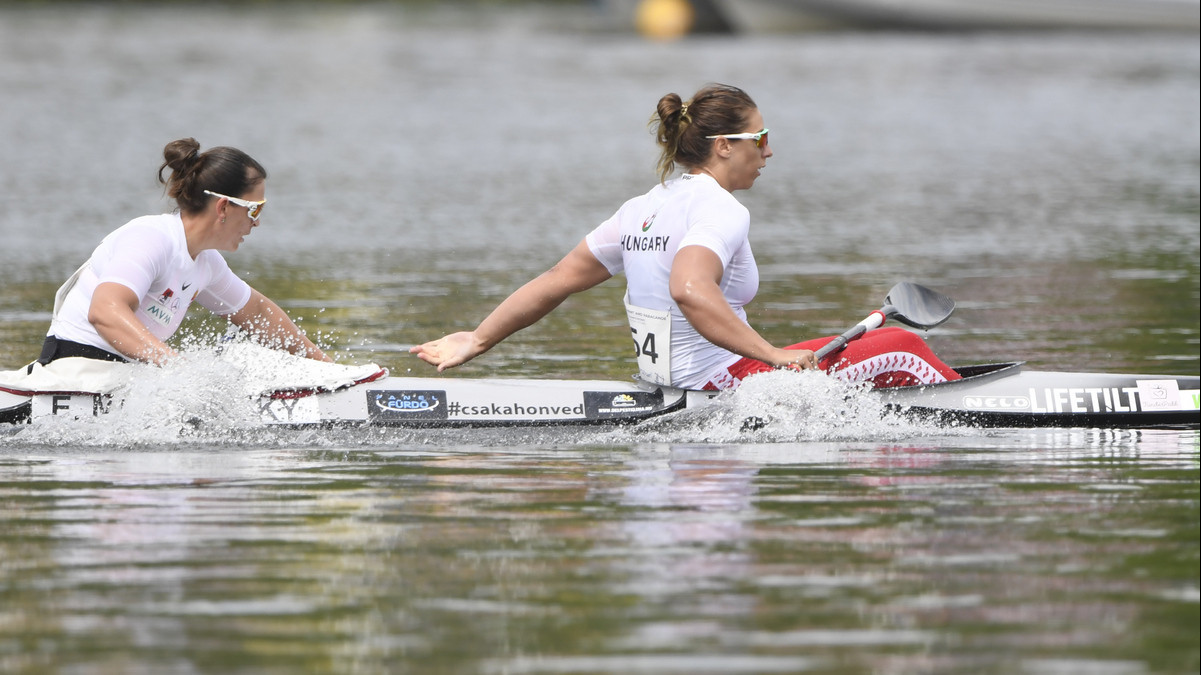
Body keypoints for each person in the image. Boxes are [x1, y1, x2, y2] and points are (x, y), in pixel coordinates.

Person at [410, 84, 959, 391]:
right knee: (906, 345)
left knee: (865, 351)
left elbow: (556, 281)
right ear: (724, 145)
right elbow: (690, 290)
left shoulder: (641, 209)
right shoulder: (720, 210)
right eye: (761, 138)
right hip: (724, 383)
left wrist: (477, 339)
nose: (769, 152)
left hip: (671, 380)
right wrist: (770, 354)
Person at [35, 137, 331, 367]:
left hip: (126, 374)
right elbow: (103, 312)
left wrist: (330, 369)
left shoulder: (207, 264)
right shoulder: (150, 238)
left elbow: (258, 313)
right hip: (74, 368)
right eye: (255, 209)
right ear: (223, 206)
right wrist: (178, 371)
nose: (257, 222)